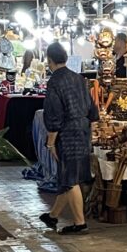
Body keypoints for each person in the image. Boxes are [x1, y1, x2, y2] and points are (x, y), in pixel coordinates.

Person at [39, 42, 98, 235]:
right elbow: (92, 109)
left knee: (70, 178)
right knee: (70, 176)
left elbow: (54, 114)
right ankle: (53, 216)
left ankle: (80, 223)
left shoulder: (55, 82)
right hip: (83, 131)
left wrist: (50, 142)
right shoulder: (79, 78)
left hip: (67, 133)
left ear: (49, 60)